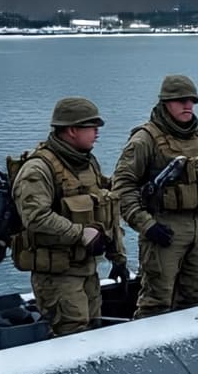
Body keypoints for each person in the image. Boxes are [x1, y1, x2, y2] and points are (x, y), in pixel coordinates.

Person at [111, 74, 198, 319]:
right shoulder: (145, 140)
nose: (188, 106)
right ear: (166, 103)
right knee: (156, 300)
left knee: (196, 294)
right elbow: (122, 188)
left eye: (191, 101)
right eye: (180, 101)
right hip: (163, 228)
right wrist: (146, 225)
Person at [10, 96, 126, 337]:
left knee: (94, 329)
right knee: (71, 335)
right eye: (91, 127)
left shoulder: (87, 163)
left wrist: (118, 258)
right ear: (72, 130)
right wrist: (80, 233)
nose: (97, 133)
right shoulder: (38, 169)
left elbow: (104, 208)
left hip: (87, 269)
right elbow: (35, 216)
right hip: (58, 277)